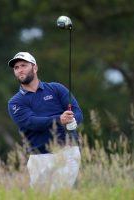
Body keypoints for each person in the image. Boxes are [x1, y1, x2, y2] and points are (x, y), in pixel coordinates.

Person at [7, 52, 83, 192]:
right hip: (38, 156)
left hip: (67, 152)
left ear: (35, 68)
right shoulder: (15, 102)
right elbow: (30, 122)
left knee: (58, 193)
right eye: (16, 67)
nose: (19, 70)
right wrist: (59, 119)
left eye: (23, 65)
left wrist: (73, 121)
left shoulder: (56, 88)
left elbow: (77, 112)